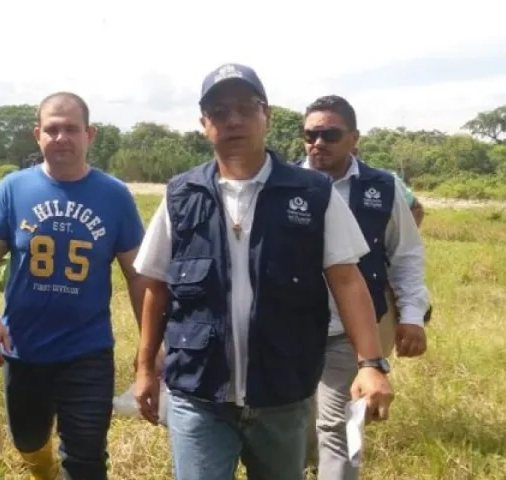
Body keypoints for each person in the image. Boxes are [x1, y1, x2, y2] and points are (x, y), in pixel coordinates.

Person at [132, 63, 394, 480]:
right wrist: (146, 368)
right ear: (204, 124)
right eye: (219, 111)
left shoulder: (313, 193)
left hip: (282, 393)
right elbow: (156, 287)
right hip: (198, 393)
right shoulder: (181, 195)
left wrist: (370, 363)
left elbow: (347, 280)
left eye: (245, 107)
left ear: (266, 115)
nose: (233, 119)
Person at [0, 91, 145, 480]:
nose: (61, 137)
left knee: (85, 457)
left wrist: (150, 346)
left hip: (88, 350)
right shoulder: (14, 188)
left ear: (90, 134)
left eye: (71, 129)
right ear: (37, 135)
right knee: (28, 440)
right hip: (24, 347)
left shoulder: (114, 195)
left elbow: (137, 274)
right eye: (52, 129)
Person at [299, 95, 430, 480]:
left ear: (354, 138)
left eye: (330, 134)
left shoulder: (383, 187)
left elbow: (405, 255)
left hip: (355, 329)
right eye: (310, 134)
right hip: (293, 329)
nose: (318, 143)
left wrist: (412, 316)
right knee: (295, 429)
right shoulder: (286, 184)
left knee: (338, 428)